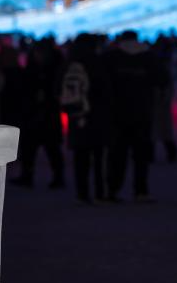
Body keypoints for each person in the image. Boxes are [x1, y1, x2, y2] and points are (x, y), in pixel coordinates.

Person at [103, 32, 166, 202]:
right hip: (143, 111)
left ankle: (112, 189)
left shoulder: (111, 57)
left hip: (117, 113)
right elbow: (162, 80)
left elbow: (104, 84)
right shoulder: (148, 56)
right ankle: (141, 190)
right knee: (141, 155)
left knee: (117, 154)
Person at [61, 34, 110, 204]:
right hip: (97, 113)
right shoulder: (98, 61)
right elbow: (104, 87)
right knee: (98, 155)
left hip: (76, 114)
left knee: (80, 156)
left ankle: (82, 193)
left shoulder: (69, 63)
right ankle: (100, 192)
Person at [12, 39, 65, 189]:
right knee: (42, 147)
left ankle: (52, 176)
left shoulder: (42, 69)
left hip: (42, 113)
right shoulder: (49, 68)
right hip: (40, 113)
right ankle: (33, 175)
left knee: (48, 147)